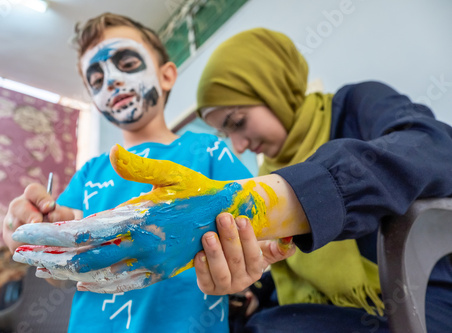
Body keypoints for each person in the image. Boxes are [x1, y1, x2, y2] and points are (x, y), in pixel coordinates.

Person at [2, 13, 255, 333]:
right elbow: (58, 272)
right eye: (96, 80)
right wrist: (33, 230)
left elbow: (257, 226)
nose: (111, 81)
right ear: (94, 101)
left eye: (127, 63)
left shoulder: (208, 151)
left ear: (166, 75)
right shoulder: (89, 174)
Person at [193, 28, 452, 332]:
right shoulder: (268, 178)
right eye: (226, 135)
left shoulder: (357, 104)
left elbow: (434, 146)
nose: (238, 145)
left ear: (273, 87)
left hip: (419, 302)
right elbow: (295, 276)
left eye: (237, 122)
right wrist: (249, 289)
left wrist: (306, 193)